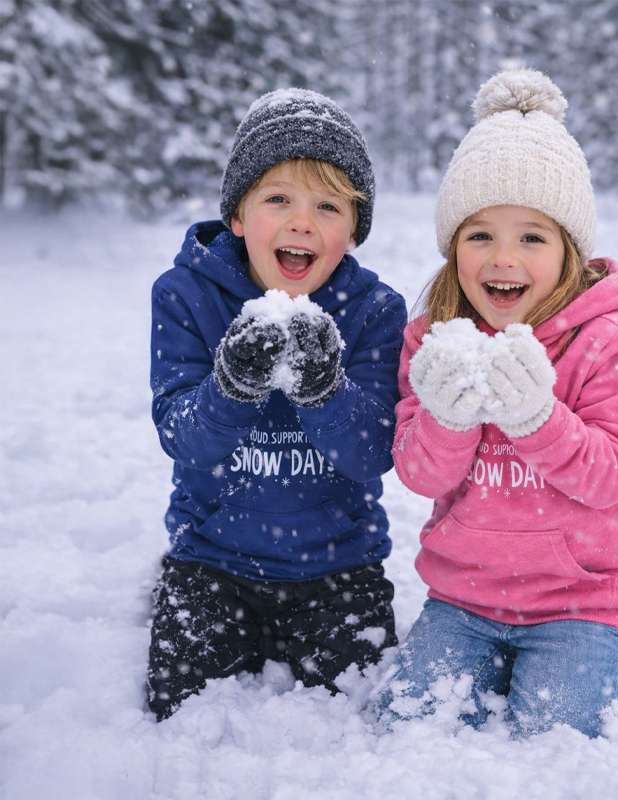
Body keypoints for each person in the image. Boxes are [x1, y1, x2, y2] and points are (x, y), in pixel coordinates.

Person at [375, 68, 618, 740]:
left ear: (569, 251)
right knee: (406, 720)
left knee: (561, 731)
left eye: (532, 237)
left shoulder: (609, 340)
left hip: (583, 601)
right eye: (480, 236)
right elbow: (420, 474)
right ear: (453, 249)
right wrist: (447, 417)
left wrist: (537, 417)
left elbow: (610, 477)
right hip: (464, 597)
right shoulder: (436, 340)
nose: (503, 258)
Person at [146, 88, 407, 721]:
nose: (302, 222)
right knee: (176, 708)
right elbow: (182, 435)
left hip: (339, 568)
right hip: (211, 560)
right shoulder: (186, 296)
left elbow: (373, 452)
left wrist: (325, 391)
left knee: (361, 712)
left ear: (353, 231)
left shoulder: (375, 311)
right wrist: (230, 386)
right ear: (238, 215)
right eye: (278, 199)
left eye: (328, 206)